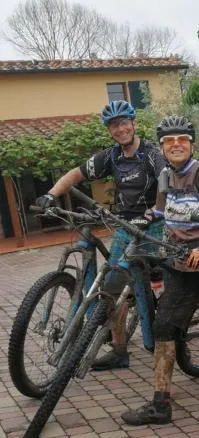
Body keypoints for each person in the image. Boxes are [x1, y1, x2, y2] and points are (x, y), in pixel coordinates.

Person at [121, 115, 199, 425]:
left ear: (192, 144)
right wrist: (142, 219)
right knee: (165, 328)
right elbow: (162, 210)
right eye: (169, 141)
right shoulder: (165, 176)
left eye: (182, 140)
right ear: (162, 147)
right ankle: (160, 404)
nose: (176, 145)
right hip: (179, 263)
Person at [35, 100, 166, 370]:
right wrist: (51, 194)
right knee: (111, 290)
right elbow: (75, 174)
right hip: (124, 226)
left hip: (153, 226)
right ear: (110, 131)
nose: (120, 129)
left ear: (133, 124)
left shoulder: (152, 155)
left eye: (123, 123)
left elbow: (167, 186)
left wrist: (156, 211)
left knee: (158, 280)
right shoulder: (111, 157)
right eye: (113, 126)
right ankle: (119, 351)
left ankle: (163, 319)